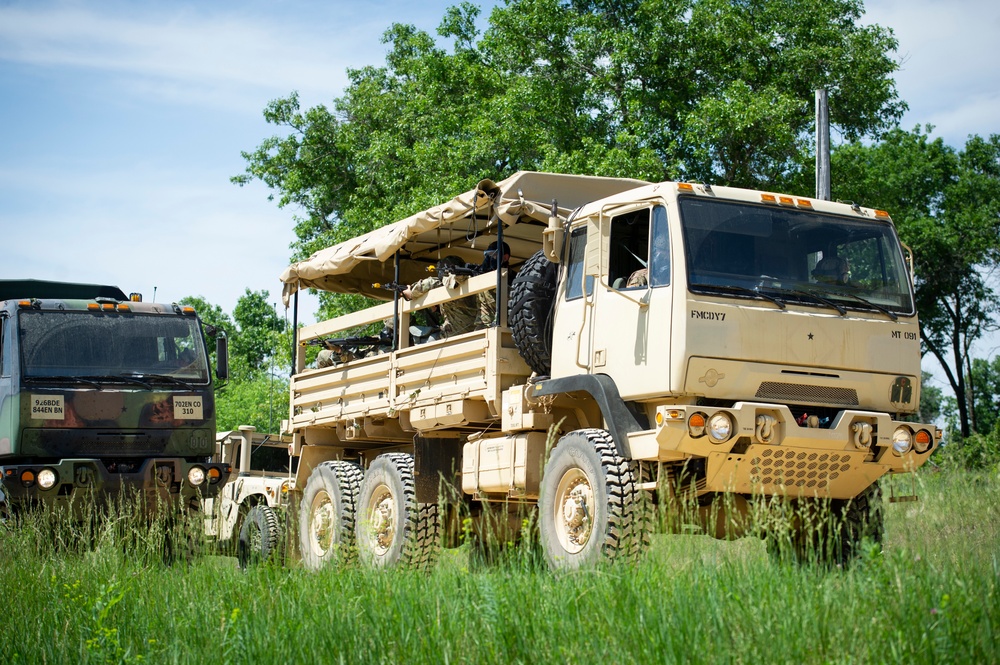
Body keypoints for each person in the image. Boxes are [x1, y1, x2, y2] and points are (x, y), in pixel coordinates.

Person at [402, 256, 478, 337]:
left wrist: (410, 292)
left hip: (453, 334)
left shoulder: (442, 283)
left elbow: (422, 287)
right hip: (474, 330)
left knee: (419, 339)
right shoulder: (473, 280)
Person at [476, 240, 511, 329]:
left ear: (505, 257)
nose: (489, 259)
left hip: (505, 325)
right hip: (485, 325)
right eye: (488, 255)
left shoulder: (512, 278)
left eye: (494, 255)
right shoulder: (483, 277)